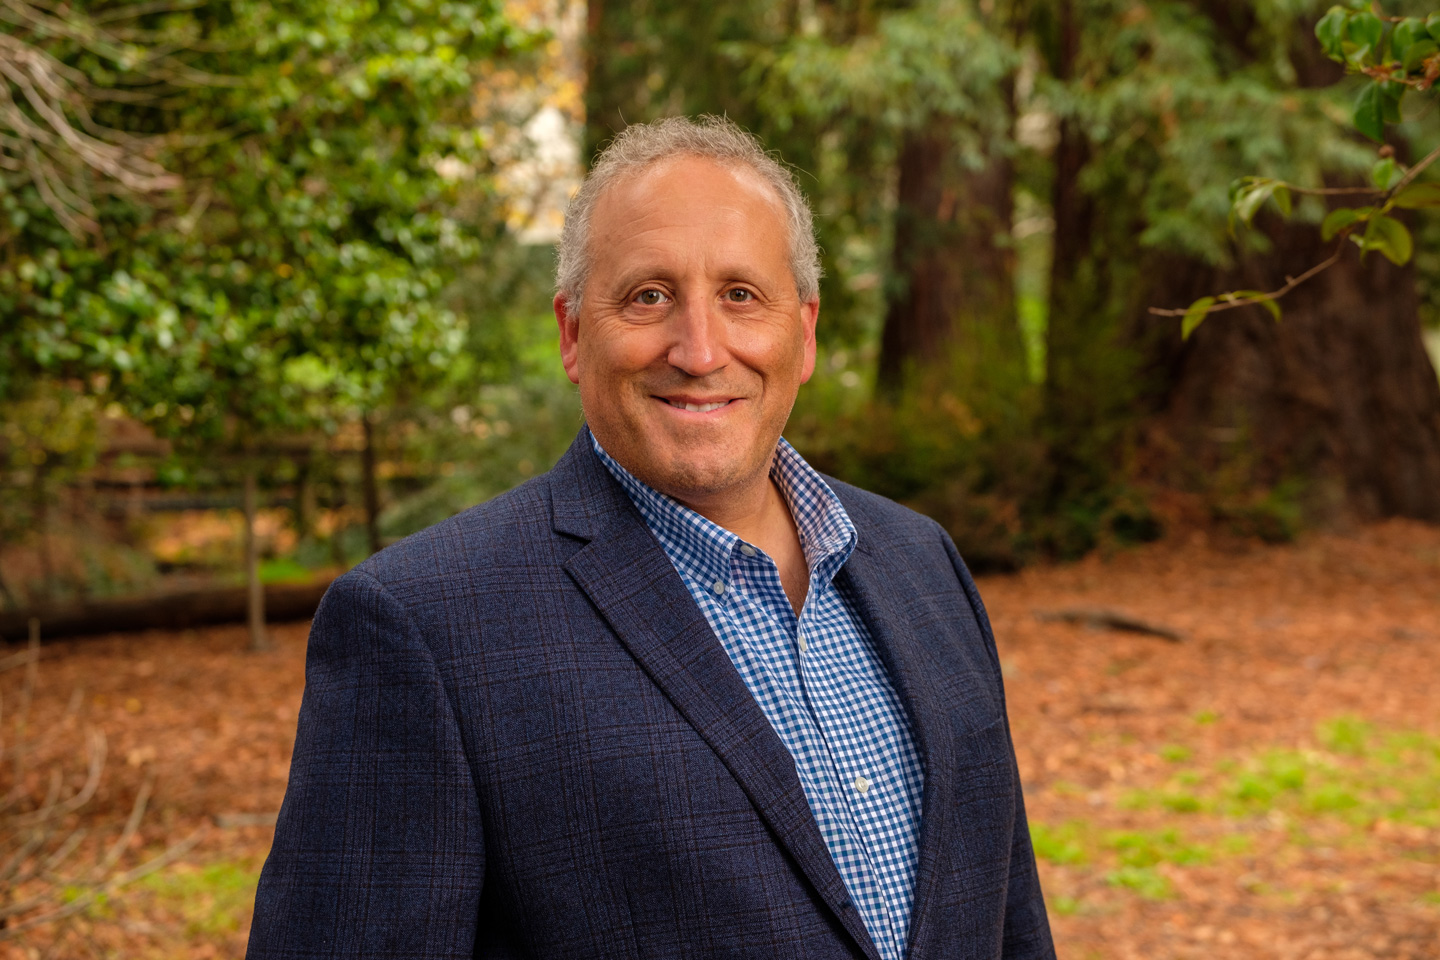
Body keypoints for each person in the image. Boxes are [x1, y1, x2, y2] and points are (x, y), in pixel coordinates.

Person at [247, 115, 1054, 960]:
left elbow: (1010, 922)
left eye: (741, 295)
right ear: (572, 333)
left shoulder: (922, 562)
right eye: (648, 297)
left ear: (805, 332)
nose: (700, 350)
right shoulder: (424, 627)